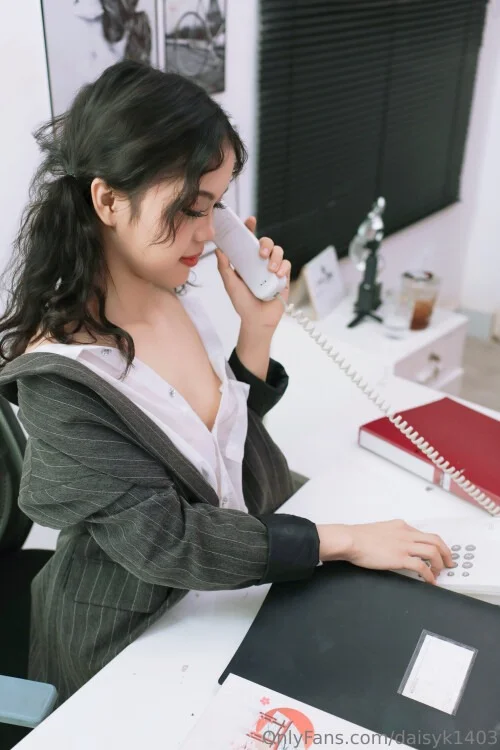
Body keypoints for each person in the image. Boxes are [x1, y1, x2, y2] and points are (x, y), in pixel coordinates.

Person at [0, 61, 453, 707]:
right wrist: (343, 542)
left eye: (216, 206)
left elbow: (211, 439)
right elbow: (168, 541)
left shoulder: (172, 291)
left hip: (239, 576)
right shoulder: (61, 381)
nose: (209, 232)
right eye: (191, 208)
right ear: (108, 201)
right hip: (136, 631)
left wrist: (257, 332)